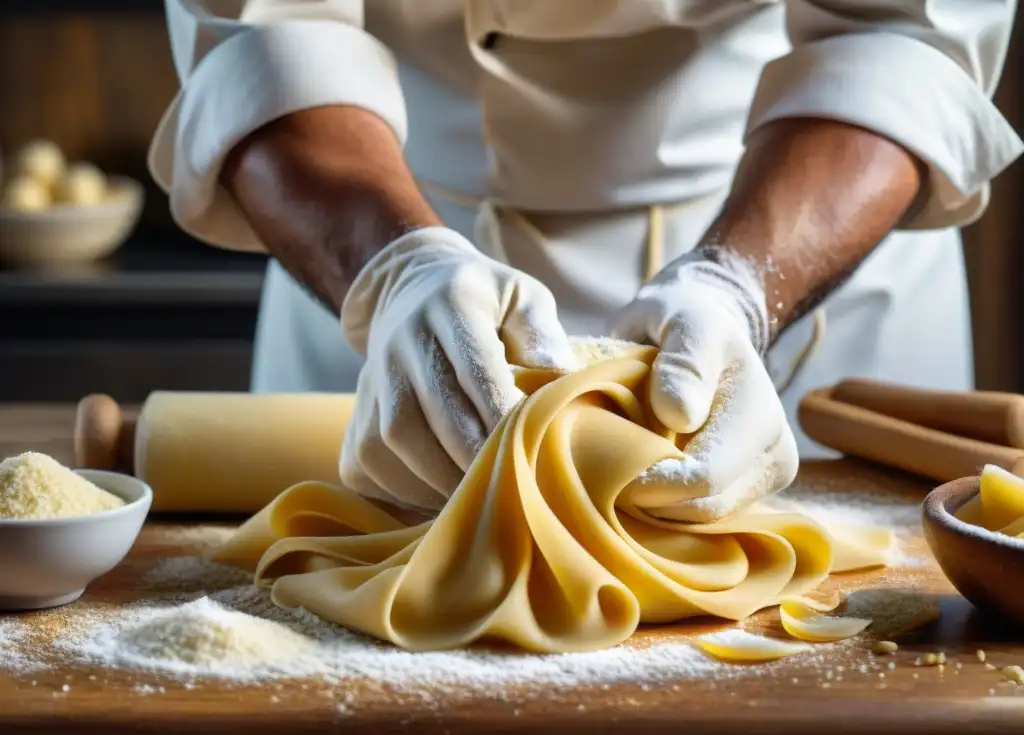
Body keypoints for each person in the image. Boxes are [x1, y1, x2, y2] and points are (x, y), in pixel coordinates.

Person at [150, 0, 1022, 519]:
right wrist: (398, 268)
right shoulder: (383, 253)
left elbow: (903, 39)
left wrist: (738, 287)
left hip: (795, 226)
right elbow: (261, 36)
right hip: (371, 217)